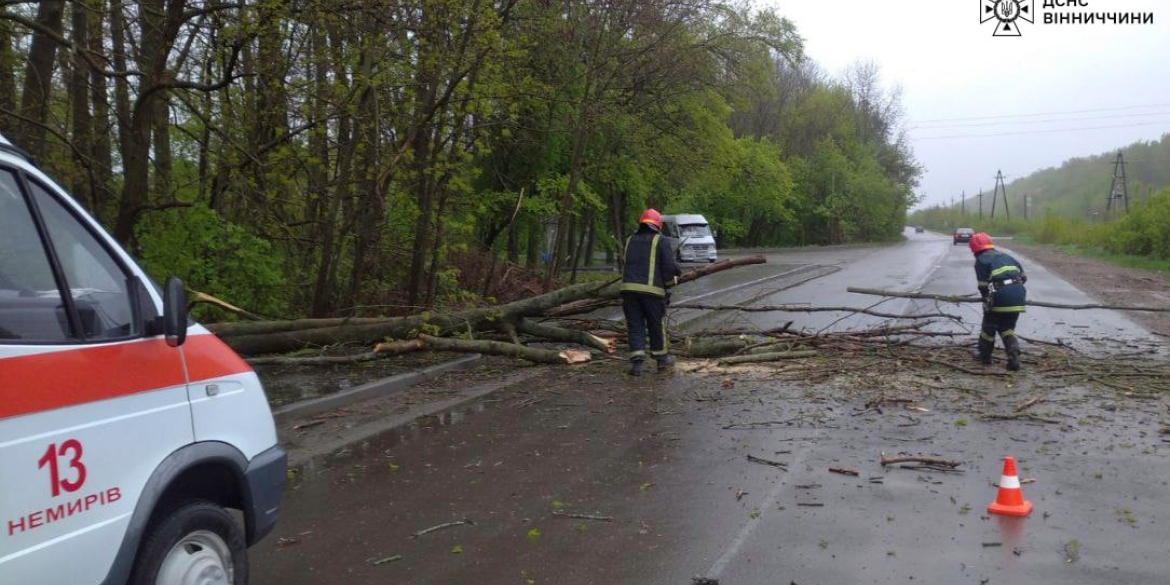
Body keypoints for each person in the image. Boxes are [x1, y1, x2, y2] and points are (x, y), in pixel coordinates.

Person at [620, 208, 682, 376]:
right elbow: (668, 267)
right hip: (652, 293)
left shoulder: (630, 240)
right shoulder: (660, 240)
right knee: (656, 324)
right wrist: (670, 284)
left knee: (635, 326)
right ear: (658, 225)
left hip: (629, 291)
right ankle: (662, 360)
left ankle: (637, 365)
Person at [970, 232, 1027, 371]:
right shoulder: (1007, 256)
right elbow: (1024, 277)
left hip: (1001, 296)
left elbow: (983, 285)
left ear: (975, 249)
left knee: (989, 327)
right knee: (1007, 328)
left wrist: (987, 300)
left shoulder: (981, 260)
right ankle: (1013, 352)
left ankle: (985, 356)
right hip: (1018, 296)